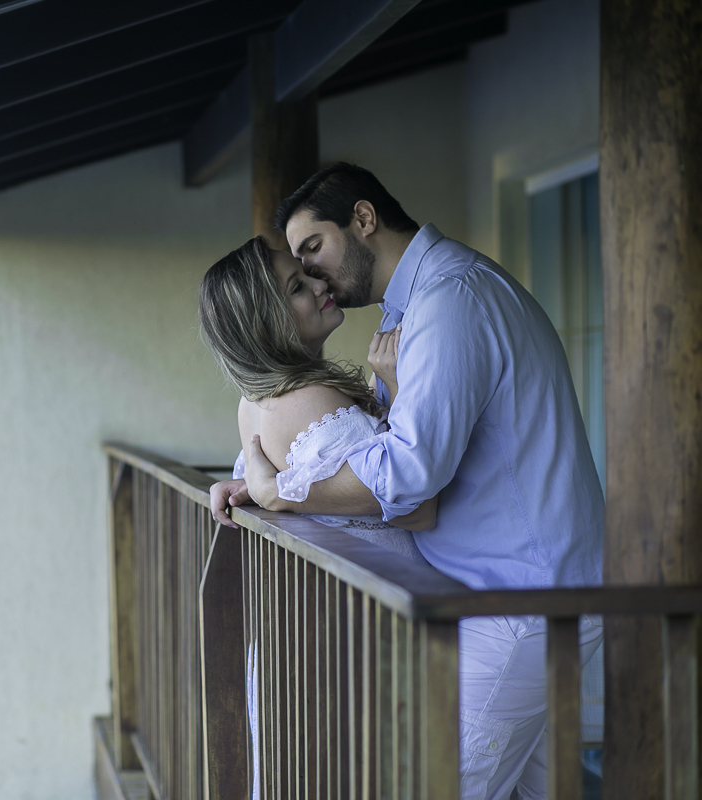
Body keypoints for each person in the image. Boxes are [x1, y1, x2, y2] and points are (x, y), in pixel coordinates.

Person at [211, 163, 603, 800]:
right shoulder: (416, 307)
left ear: (363, 220)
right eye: (297, 272)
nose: (312, 275)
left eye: (313, 250)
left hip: (524, 602)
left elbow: (411, 478)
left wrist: (282, 490)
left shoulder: (452, 299)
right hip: (502, 599)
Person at [198, 234, 436, 559]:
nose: (319, 285)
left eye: (306, 274)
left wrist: (259, 489)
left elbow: (328, 491)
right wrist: (399, 391)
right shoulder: (311, 400)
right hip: (392, 592)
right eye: (297, 287)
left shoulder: (252, 402)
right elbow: (418, 509)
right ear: (265, 323)